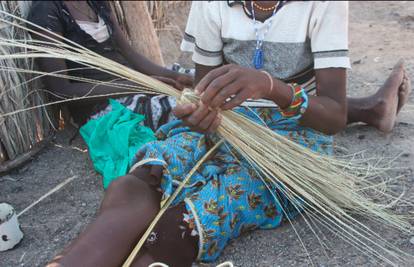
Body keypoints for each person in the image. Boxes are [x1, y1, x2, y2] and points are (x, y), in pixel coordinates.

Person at [43, 1, 412, 267]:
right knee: (145, 175)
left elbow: (333, 116)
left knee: (199, 214)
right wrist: (197, 114)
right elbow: (203, 93)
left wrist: (272, 87)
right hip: (226, 124)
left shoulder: (323, 5)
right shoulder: (211, 5)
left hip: (290, 140)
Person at [27, 1, 192, 129]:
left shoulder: (95, 2)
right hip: (100, 109)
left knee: (198, 82)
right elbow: (62, 92)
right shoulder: (46, 11)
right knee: (187, 109)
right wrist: (141, 84)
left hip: (132, 84)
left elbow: (129, 52)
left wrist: (176, 76)